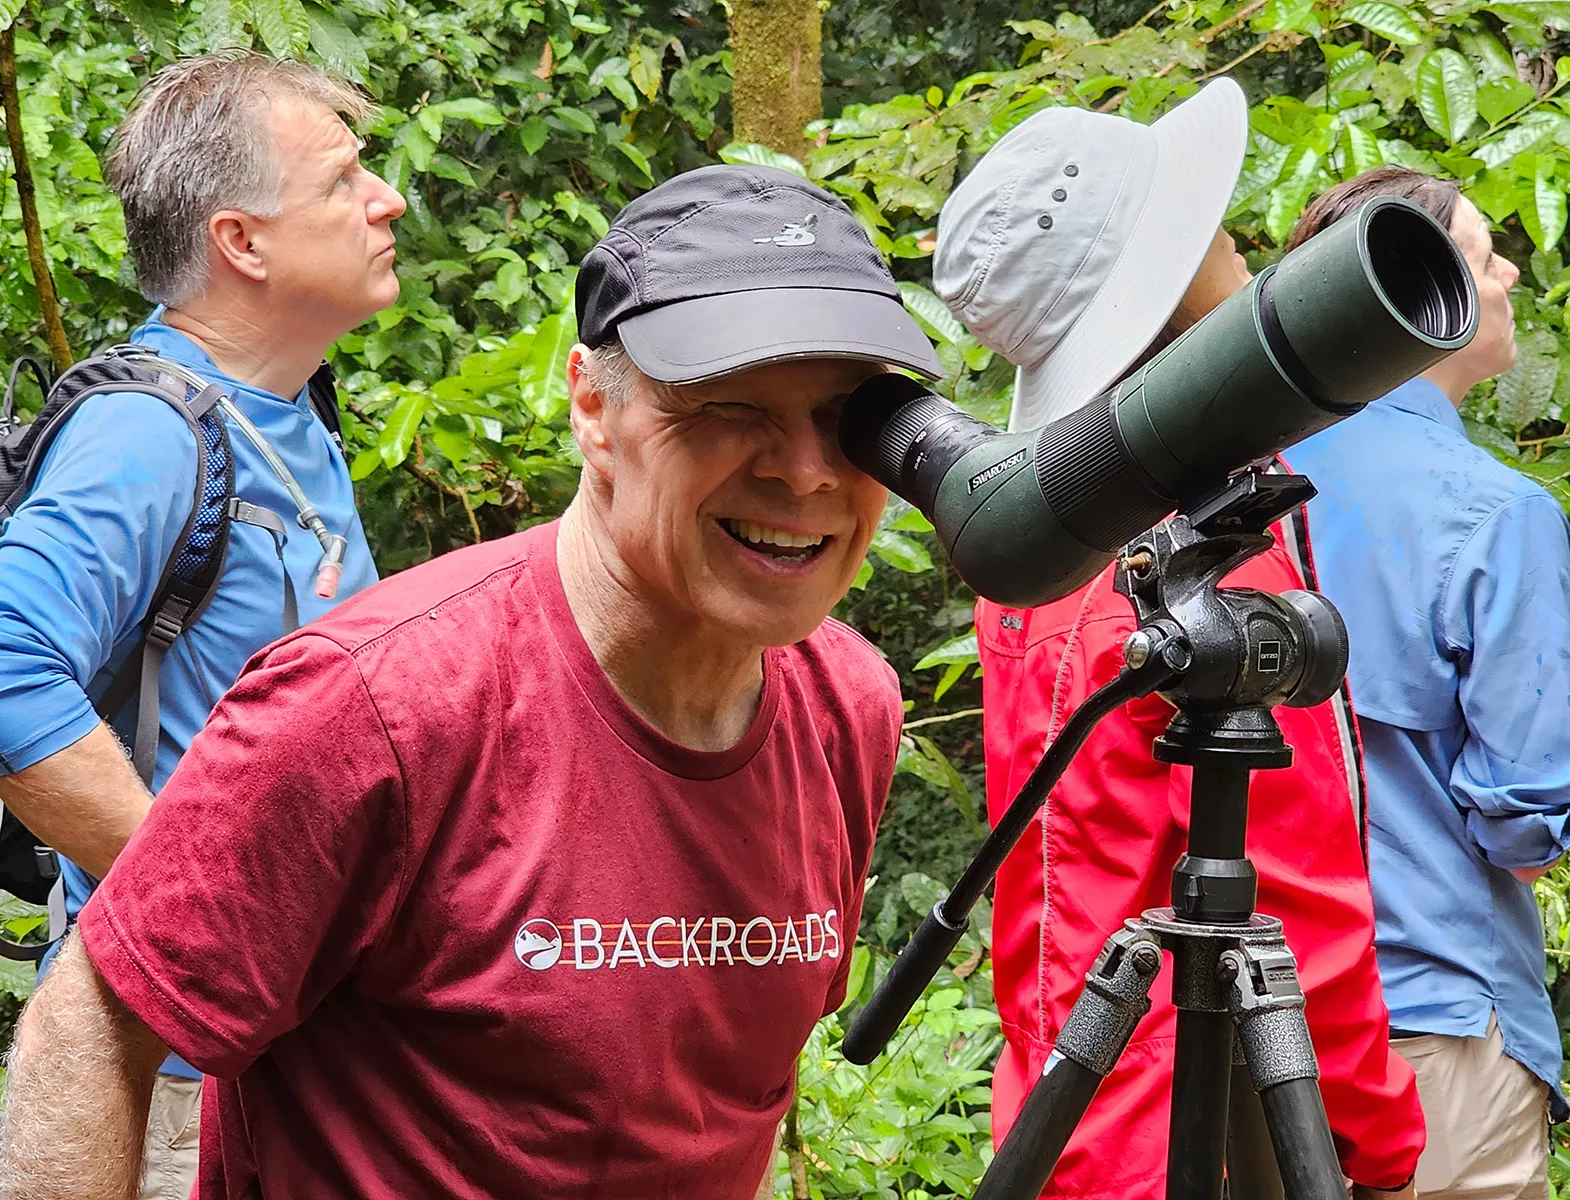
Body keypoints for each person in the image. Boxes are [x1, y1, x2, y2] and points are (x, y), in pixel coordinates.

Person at [0, 162, 942, 1200]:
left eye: (850, 419)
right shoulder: (371, 707)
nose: (805, 472)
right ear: (592, 404)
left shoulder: (846, 703)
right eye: (729, 406)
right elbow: (93, 1020)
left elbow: (708, 1106)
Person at [932, 82, 1423, 1197]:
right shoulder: (1212, 558)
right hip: (1194, 1144)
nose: (1241, 250)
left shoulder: (1038, 542)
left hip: (1062, 1108)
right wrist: (1379, 1144)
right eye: (1208, 228)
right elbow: (1298, 906)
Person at [0, 51, 402, 1200]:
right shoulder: (147, 433)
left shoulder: (290, 406)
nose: (387, 198)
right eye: (343, 182)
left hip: (289, 1056)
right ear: (243, 242)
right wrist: (210, 911)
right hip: (178, 1075)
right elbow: (5, 661)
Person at [1281, 165, 1570, 1200]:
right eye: (1482, 251)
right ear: (1428, 299)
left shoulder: (1231, 486)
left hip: (1253, 1024)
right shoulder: (1494, 512)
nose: (1508, 271)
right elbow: (1524, 822)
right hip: (1436, 1030)